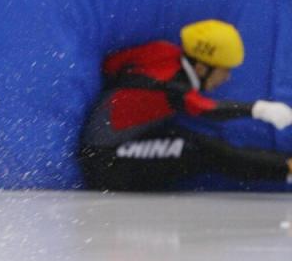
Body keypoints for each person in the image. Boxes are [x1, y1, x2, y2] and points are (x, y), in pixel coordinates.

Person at [79, 19, 292, 191]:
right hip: (105, 163)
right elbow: (207, 110)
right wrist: (259, 109)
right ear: (200, 68)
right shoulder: (175, 87)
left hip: (123, 143)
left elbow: (111, 64)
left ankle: (286, 166)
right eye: (224, 70)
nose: (226, 78)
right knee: (206, 151)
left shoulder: (162, 50)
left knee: (192, 141)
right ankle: (287, 169)